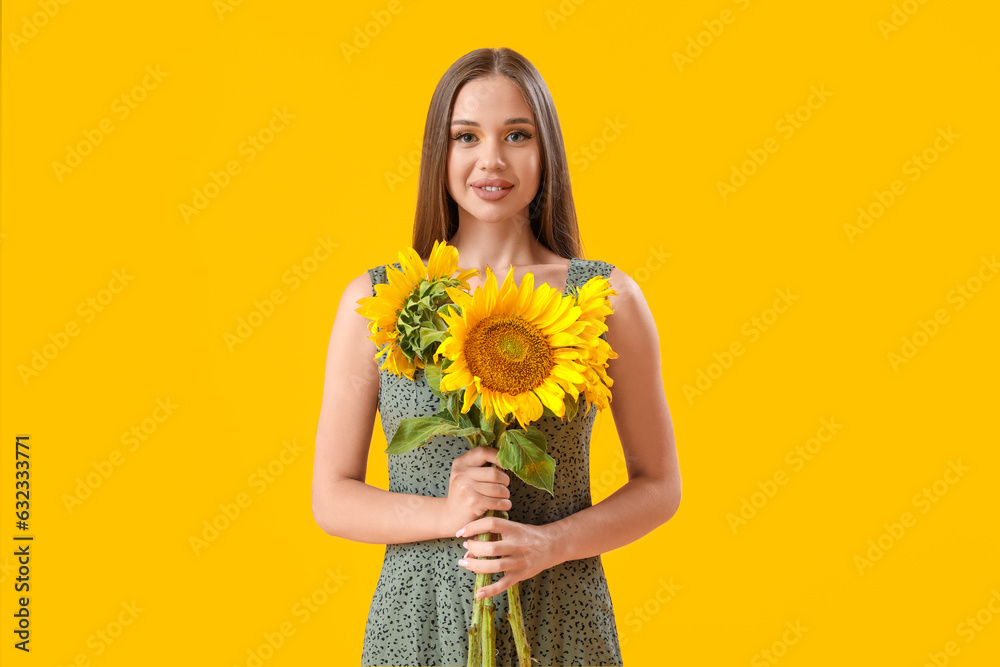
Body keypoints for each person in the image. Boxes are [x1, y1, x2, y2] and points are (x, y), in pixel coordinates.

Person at [312, 47, 681, 666]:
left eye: (517, 135)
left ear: (547, 153)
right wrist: (449, 513)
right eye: (466, 136)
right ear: (441, 152)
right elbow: (332, 497)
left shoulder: (601, 298)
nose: (492, 160)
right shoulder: (382, 300)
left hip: (562, 612)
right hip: (419, 617)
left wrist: (550, 543)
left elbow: (660, 485)